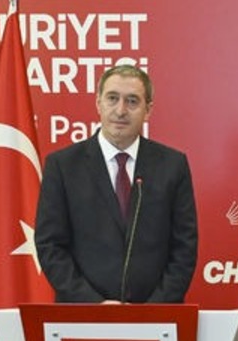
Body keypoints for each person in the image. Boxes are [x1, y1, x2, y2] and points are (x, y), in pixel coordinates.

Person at [35, 64, 198, 303]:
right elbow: (50, 246)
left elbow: (184, 248)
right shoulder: (63, 165)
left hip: (156, 315)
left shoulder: (173, 165)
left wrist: (152, 311)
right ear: (98, 103)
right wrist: (95, 305)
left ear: (148, 110)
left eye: (132, 101)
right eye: (112, 98)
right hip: (83, 315)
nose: (121, 110)